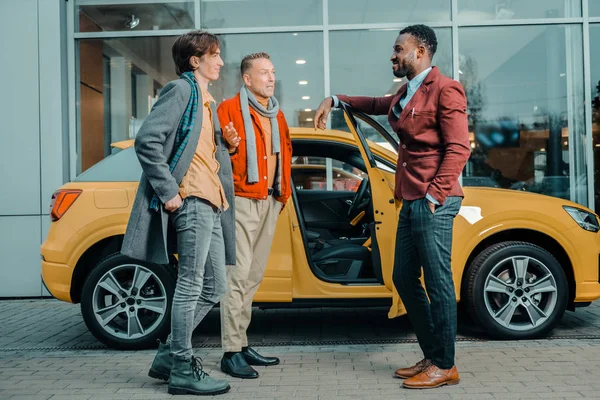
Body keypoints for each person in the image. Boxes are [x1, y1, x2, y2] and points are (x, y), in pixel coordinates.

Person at [314, 24, 470, 389]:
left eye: (399, 49)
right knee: (402, 276)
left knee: (437, 281)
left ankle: (445, 364)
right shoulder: (406, 92)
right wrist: (335, 100)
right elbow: (377, 105)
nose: (393, 55)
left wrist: (434, 196)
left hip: (434, 201)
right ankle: (433, 355)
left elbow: (459, 148)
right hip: (411, 199)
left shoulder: (446, 89)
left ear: (420, 52)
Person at [121, 30, 239, 396]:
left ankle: (170, 354)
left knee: (215, 285)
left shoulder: (206, 101)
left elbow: (202, 154)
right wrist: (169, 191)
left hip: (213, 201)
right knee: (191, 284)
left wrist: (228, 145)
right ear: (195, 60)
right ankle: (183, 368)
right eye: (214, 55)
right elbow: (147, 140)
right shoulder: (182, 91)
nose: (220, 61)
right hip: (191, 200)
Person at [216, 52, 293, 379]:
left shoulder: (277, 113)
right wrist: (230, 146)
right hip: (242, 201)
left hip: (269, 201)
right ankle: (230, 351)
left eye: (272, 72)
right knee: (238, 275)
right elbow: (215, 154)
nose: (270, 78)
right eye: (264, 73)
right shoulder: (229, 109)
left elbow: (284, 154)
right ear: (247, 79)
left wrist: (282, 195)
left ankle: (242, 342)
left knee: (254, 275)